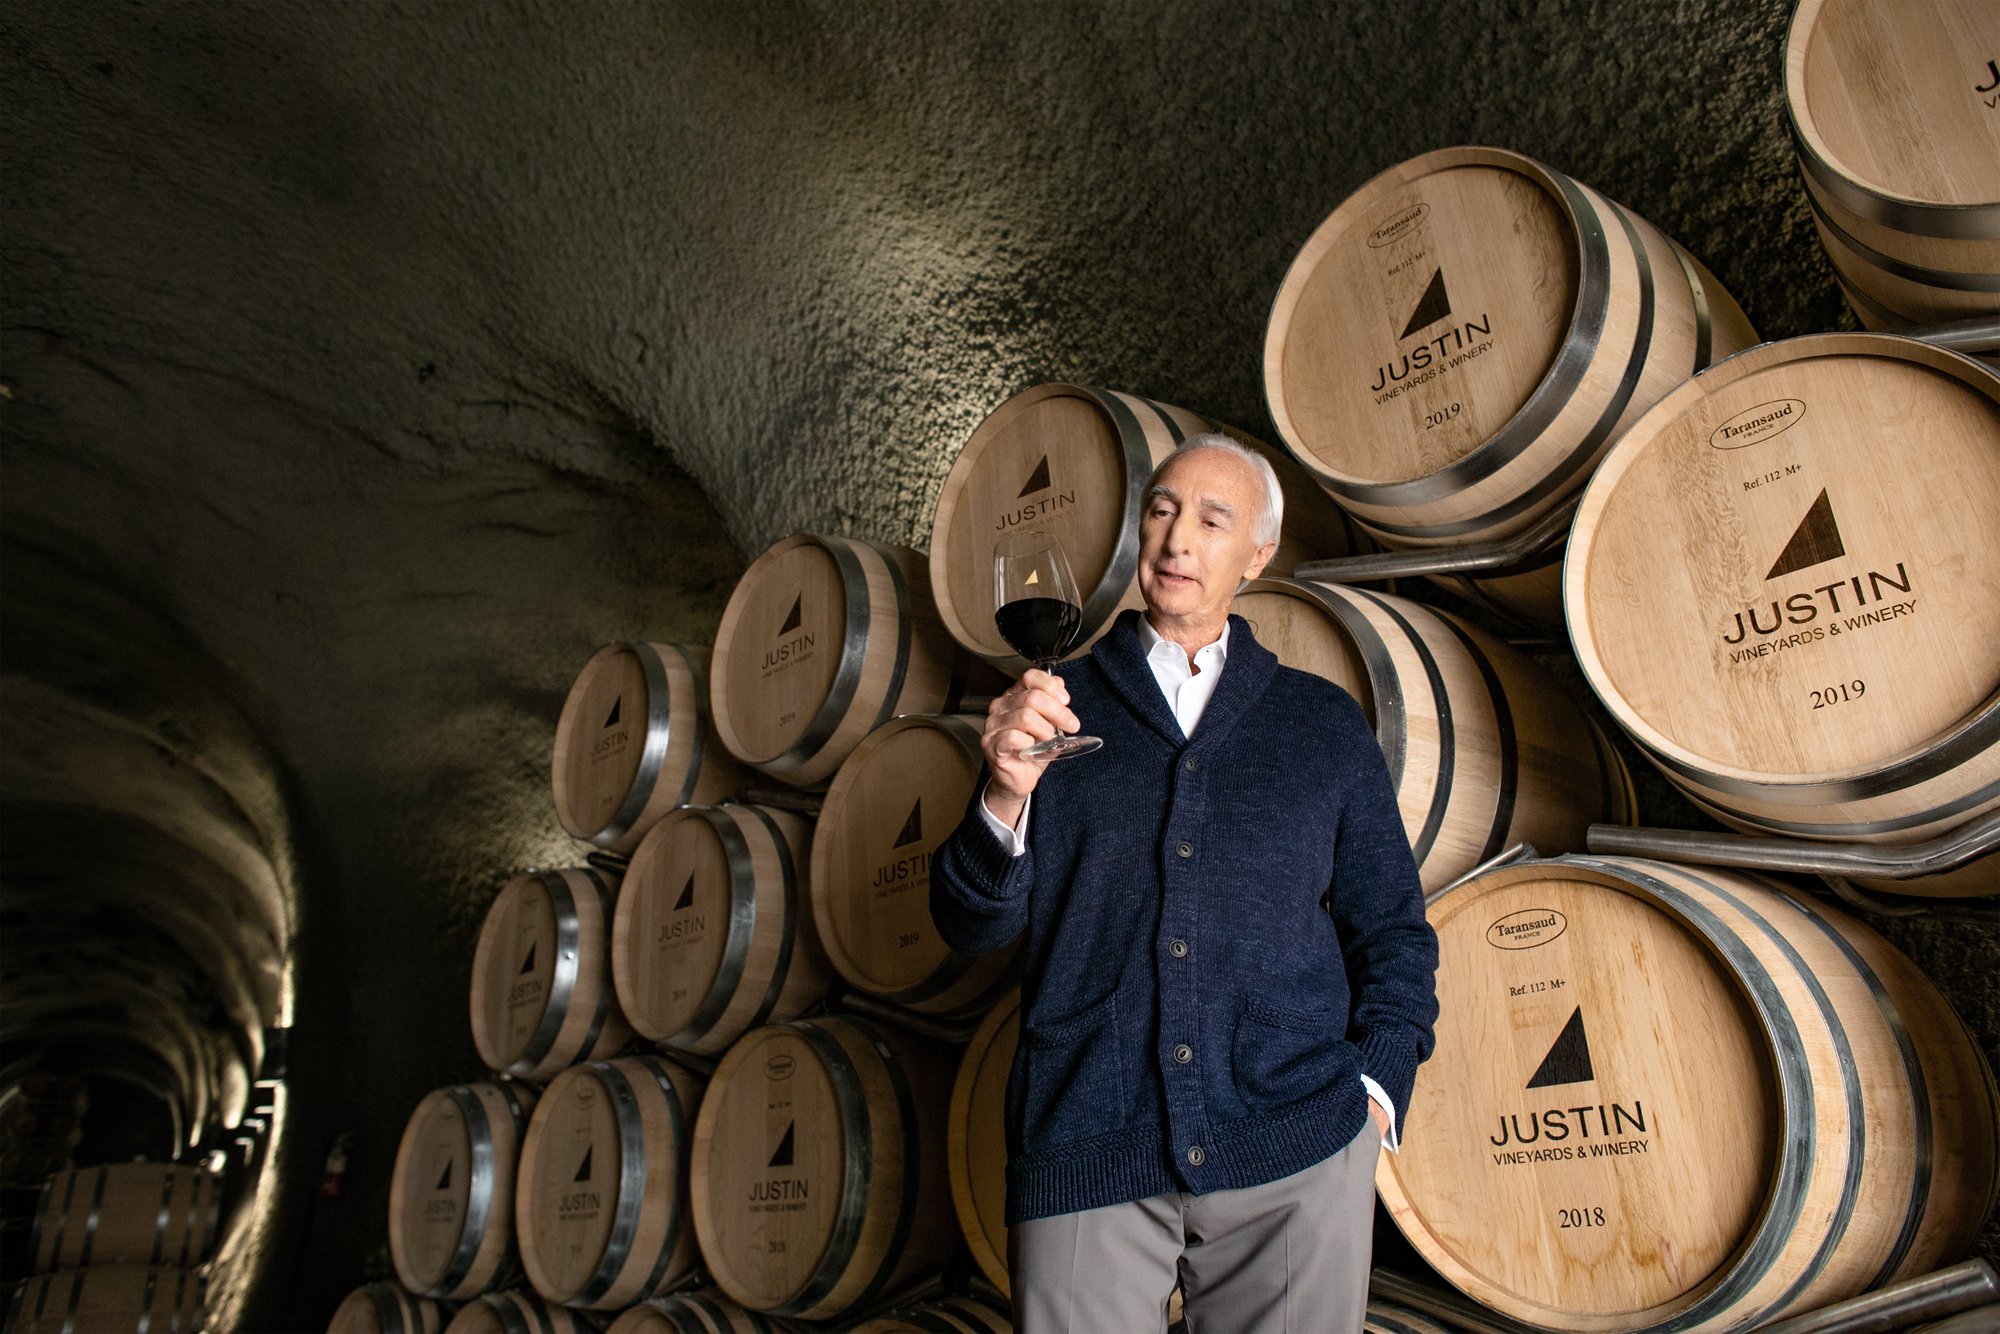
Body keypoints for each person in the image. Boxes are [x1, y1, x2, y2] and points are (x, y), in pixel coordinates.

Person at [929, 433, 1439, 1333]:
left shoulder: (1320, 723)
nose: (1177, 540)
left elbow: (1393, 930)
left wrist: (1375, 1093)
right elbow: (970, 926)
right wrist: (1004, 791)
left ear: (1259, 554)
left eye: (1212, 520)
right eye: (1161, 511)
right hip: (1088, 1138)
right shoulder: (1054, 710)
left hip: (1298, 1146)